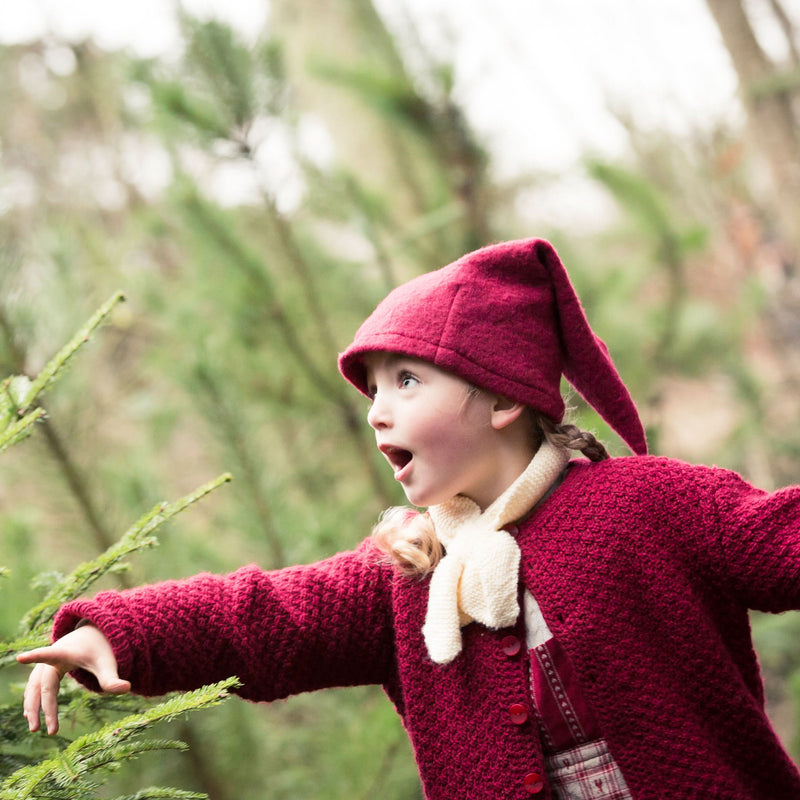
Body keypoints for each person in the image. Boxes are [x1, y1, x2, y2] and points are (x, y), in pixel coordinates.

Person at [17, 238, 800, 799]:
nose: (377, 414)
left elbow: (779, 540)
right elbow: (265, 617)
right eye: (372, 393)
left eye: (406, 382)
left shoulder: (646, 505)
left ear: (500, 397)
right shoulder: (410, 568)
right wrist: (120, 629)